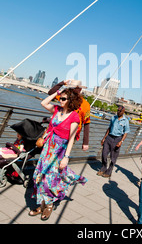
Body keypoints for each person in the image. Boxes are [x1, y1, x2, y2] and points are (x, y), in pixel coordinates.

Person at [29, 88, 87, 220]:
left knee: (49, 180)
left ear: (70, 100)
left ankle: (47, 206)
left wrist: (66, 157)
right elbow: (43, 103)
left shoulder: (74, 116)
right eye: (60, 98)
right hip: (47, 150)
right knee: (38, 176)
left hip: (59, 152)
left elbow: (71, 139)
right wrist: (57, 93)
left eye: (63, 98)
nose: (60, 100)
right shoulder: (56, 110)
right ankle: (42, 203)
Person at [48, 79, 91, 151]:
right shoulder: (65, 98)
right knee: (50, 150)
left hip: (71, 134)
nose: (71, 90)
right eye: (70, 88)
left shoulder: (85, 105)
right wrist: (62, 83)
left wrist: (85, 142)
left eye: (74, 88)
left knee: (63, 154)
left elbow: (86, 123)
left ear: (80, 89)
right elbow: (51, 92)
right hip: (58, 129)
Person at [98, 105, 130, 178]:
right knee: (104, 154)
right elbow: (109, 128)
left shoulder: (126, 121)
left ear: (123, 112)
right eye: (117, 110)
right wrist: (104, 138)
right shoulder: (113, 118)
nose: (118, 112)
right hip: (109, 138)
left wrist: (121, 141)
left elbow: (126, 132)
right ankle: (104, 167)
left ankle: (109, 171)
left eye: (120, 111)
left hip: (117, 139)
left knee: (113, 157)